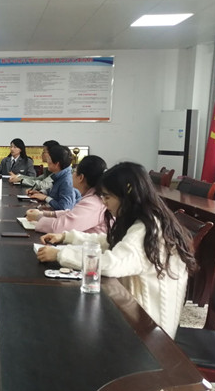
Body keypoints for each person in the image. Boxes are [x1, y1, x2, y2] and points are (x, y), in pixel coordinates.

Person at [36, 162, 197, 338]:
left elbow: (112, 265)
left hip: (149, 331)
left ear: (127, 194)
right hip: (136, 315)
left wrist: (60, 254)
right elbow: (110, 241)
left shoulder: (146, 230)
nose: (104, 203)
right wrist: (66, 237)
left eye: (107, 197)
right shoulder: (147, 217)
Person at [25, 155, 107, 233]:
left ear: (81, 177)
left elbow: (61, 227)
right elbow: (72, 213)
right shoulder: (93, 197)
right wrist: (44, 214)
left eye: (74, 171)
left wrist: (38, 217)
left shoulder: (92, 203)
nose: (72, 175)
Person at [28, 145, 80, 211]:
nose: (47, 161)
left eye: (49, 159)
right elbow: (55, 192)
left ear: (57, 164)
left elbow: (65, 208)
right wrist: (41, 193)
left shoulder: (66, 181)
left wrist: (45, 198)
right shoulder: (60, 175)